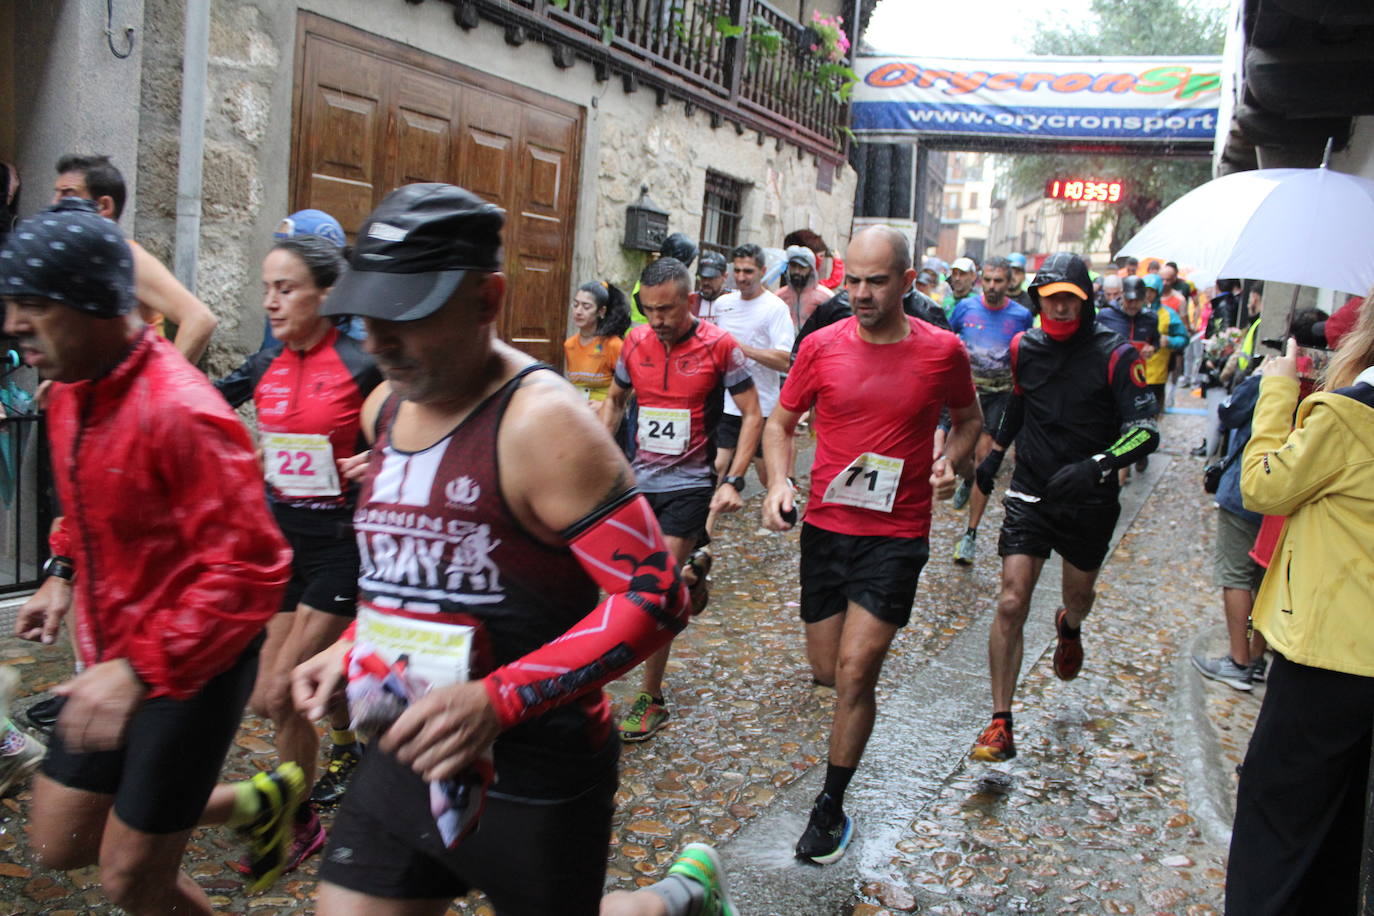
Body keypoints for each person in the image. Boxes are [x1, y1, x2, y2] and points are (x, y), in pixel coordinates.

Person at [287, 183, 732, 915]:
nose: (376, 339)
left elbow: (655, 596)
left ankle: (677, 898)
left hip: (535, 771)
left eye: (404, 314)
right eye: (366, 313)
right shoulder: (385, 406)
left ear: (486, 299)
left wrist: (497, 700)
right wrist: (353, 648)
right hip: (406, 746)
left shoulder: (545, 427)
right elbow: (411, 571)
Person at [4, 198, 299, 912]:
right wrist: (60, 572)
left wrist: (138, 670)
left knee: (133, 876)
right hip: (116, 654)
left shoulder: (184, 412)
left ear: (97, 304)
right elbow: (86, 501)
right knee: (60, 842)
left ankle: (184, 821)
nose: (13, 325)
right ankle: (257, 803)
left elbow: (252, 572)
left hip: (194, 667)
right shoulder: (72, 391)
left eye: (34, 305)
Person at [762, 226, 981, 864]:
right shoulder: (821, 346)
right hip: (828, 530)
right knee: (829, 672)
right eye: (851, 279)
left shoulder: (943, 352)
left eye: (875, 281)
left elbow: (968, 421)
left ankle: (829, 808)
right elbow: (781, 423)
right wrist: (779, 481)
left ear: (908, 283)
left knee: (858, 671)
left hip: (897, 532)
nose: (859, 293)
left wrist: (951, 463)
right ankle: (847, 736)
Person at [213, 236, 383, 868]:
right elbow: (203, 407)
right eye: (267, 289)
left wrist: (378, 459)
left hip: (342, 546)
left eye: (285, 289)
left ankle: (301, 819)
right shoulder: (266, 365)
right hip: (283, 547)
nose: (272, 302)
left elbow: (415, 431)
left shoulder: (365, 364)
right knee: (269, 696)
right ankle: (350, 737)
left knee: (282, 691)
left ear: (327, 295)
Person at [968, 252, 1159, 762]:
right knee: (1011, 600)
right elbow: (1020, 400)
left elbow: (1145, 431)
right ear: (1036, 301)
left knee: (1079, 597)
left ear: (1086, 303)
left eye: (1069, 300)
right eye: (1050, 299)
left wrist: (1097, 465)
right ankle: (1000, 723)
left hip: (1089, 499)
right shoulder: (1022, 347)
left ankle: (1069, 627)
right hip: (1031, 489)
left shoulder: (1118, 355)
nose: (1059, 309)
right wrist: (995, 453)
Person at [1225, 307, 1374, 914]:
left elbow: (1262, 483)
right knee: (1340, 821)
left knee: (1276, 816)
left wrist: (1279, 384)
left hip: (1330, 652)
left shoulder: (1350, 417)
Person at [601, 256, 763, 741]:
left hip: (690, 486)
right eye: (648, 310)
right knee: (621, 586)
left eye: (667, 310)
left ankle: (650, 698)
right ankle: (694, 572)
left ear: (691, 301)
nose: (658, 320)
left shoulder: (721, 346)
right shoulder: (635, 341)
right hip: (636, 483)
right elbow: (614, 400)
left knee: (651, 592)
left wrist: (733, 479)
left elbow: (753, 414)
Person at [51, 154, 218, 364]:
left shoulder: (127, 258)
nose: (55, 203)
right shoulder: (81, 262)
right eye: (56, 193)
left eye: (67, 193)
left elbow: (200, 319)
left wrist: (164, 387)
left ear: (104, 206)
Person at [949, 256, 1035, 565]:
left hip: (1002, 394)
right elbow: (948, 339)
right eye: (987, 280)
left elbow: (1029, 351)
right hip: (968, 392)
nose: (992, 286)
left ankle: (969, 535)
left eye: (998, 280)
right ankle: (968, 478)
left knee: (985, 459)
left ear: (1010, 281)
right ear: (980, 280)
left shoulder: (1022, 315)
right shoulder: (965, 308)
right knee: (959, 458)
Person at [1190, 371, 1268, 691]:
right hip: (1291, 498)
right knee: (1267, 579)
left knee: (1236, 575)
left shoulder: (1272, 378)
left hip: (1247, 490)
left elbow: (1229, 411)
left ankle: (1239, 661)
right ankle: (1256, 655)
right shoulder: (1334, 383)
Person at [700, 243, 793, 488]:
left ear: (762, 271)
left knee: (767, 475)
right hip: (727, 401)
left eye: (748, 271)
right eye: (737, 271)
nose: (741, 277)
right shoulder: (723, 304)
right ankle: (706, 525)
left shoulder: (776, 308)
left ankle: (779, 512)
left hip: (762, 404)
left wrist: (741, 349)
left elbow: (785, 361)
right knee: (718, 466)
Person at [1096, 276, 1160, 483]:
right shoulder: (1105, 315)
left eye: (1137, 300)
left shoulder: (1151, 318)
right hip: (1107, 380)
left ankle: (1125, 469)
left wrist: (1153, 348)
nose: (1132, 304)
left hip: (1137, 381)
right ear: (1122, 295)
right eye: (1129, 299)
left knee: (1133, 427)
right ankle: (1115, 470)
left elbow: (1155, 341)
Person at [565, 281, 631, 403]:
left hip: (606, 416)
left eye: (586, 307)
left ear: (601, 312)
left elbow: (631, 388)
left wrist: (604, 405)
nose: (578, 311)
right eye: (575, 304)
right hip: (579, 413)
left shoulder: (613, 345)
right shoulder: (569, 344)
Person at [777, 244, 834, 328]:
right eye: (793, 266)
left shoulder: (826, 297)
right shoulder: (779, 296)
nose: (796, 271)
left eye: (802, 267)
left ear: (811, 270)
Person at [695, 250, 729, 314]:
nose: (706, 282)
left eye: (711, 278)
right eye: (703, 277)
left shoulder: (734, 301)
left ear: (725, 276)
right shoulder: (690, 301)